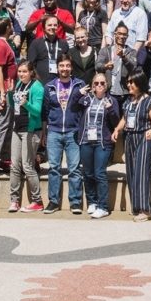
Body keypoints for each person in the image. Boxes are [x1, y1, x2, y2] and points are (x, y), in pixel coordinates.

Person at [113, 73, 151, 221]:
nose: (129, 85)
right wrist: (117, 129)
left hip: (143, 137)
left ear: (140, 83)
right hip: (129, 138)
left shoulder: (150, 102)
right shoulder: (128, 101)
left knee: (141, 173)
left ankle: (145, 209)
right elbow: (125, 118)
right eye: (128, 82)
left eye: (132, 82)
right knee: (132, 172)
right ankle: (136, 206)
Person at [44, 54, 87, 214]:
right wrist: (44, 132)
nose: (65, 69)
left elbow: (84, 108)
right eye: (62, 66)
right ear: (57, 68)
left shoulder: (79, 85)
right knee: (54, 168)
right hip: (54, 131)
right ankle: (53, 202)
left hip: (73, 132)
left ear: (71, 67)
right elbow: (46, 111)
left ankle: (75, 202)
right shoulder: (49, 86)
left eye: (67, 66)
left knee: (74, 168)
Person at [79, 73, 120, 219]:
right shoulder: (86, 99)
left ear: (106, 85)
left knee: (99, 173)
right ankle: (92, 201)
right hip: (85, 140)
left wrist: (110, 109)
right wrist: (78, 94)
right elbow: (71, 108)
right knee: (87, 172)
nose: (99, 86)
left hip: (102, 142)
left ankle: (103, 206)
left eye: (102, 83)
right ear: (92, 85)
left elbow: (116, 122)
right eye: (96, 83)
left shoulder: (111, 100)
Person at [8, 60, 45, 213]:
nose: (21, 74)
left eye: (24, 71)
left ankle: (37, 201)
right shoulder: (18, 85)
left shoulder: (37, 87)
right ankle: (14, 200)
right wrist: (10, 93)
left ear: (31, 72)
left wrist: (26, 104)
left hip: (31, 131)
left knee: (28, 166)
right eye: (19, 71)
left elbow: (37, 111)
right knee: (14, 165)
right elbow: (13, 105)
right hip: (17, 129)